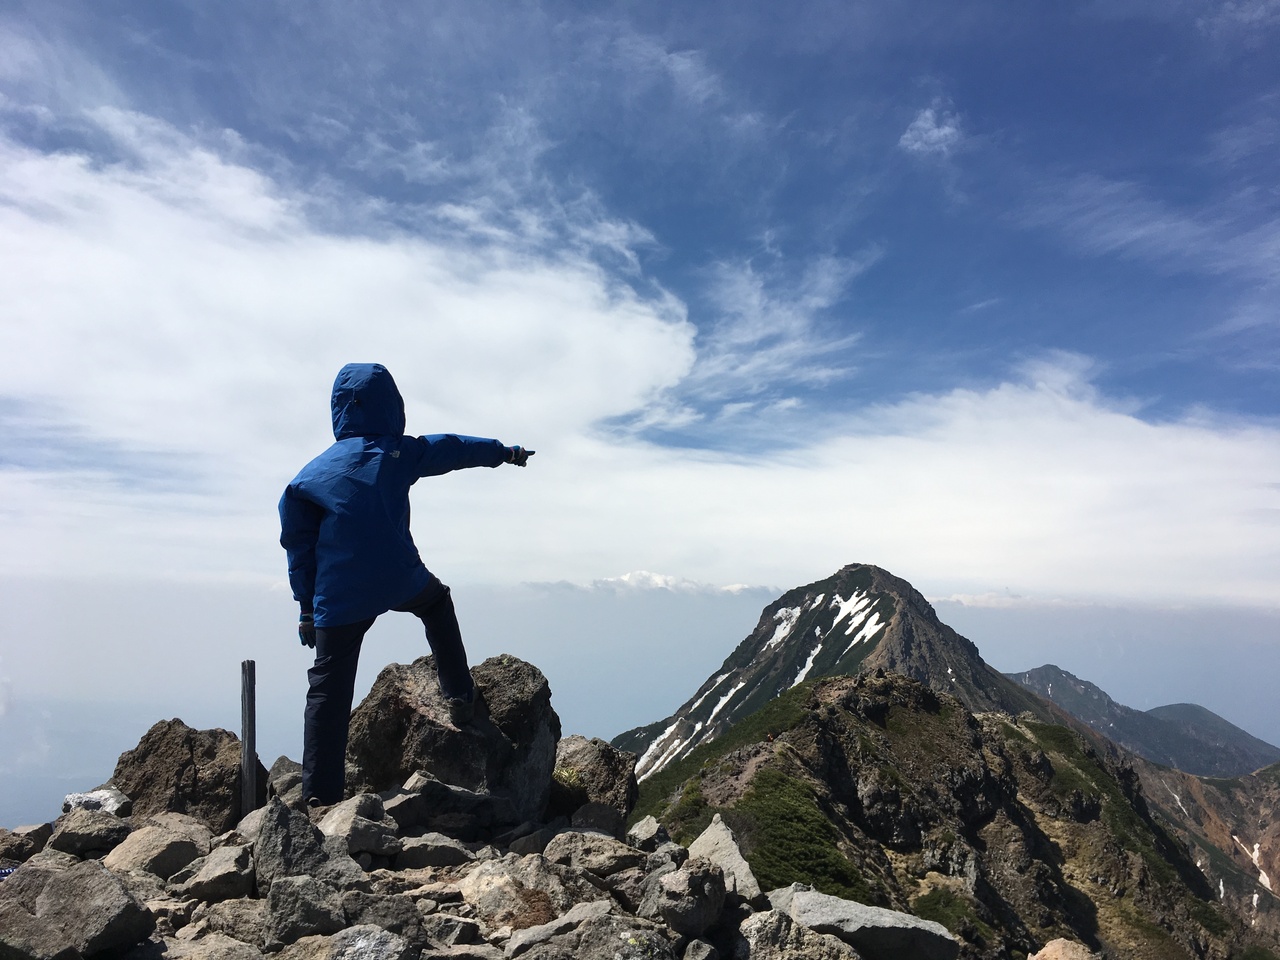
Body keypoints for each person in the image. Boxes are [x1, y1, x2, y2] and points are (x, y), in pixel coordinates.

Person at [279, 362, 533, 806]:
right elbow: (454, 449)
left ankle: (319, 798)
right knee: (436, 605)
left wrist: (306, 609)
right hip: (399, 574)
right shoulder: (400, 451)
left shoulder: (307, 478)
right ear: (392, 405)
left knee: (328, 688)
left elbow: (299, 548)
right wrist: (504, 452)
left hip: (339, 595)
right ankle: (459, 696)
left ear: (339, 410)